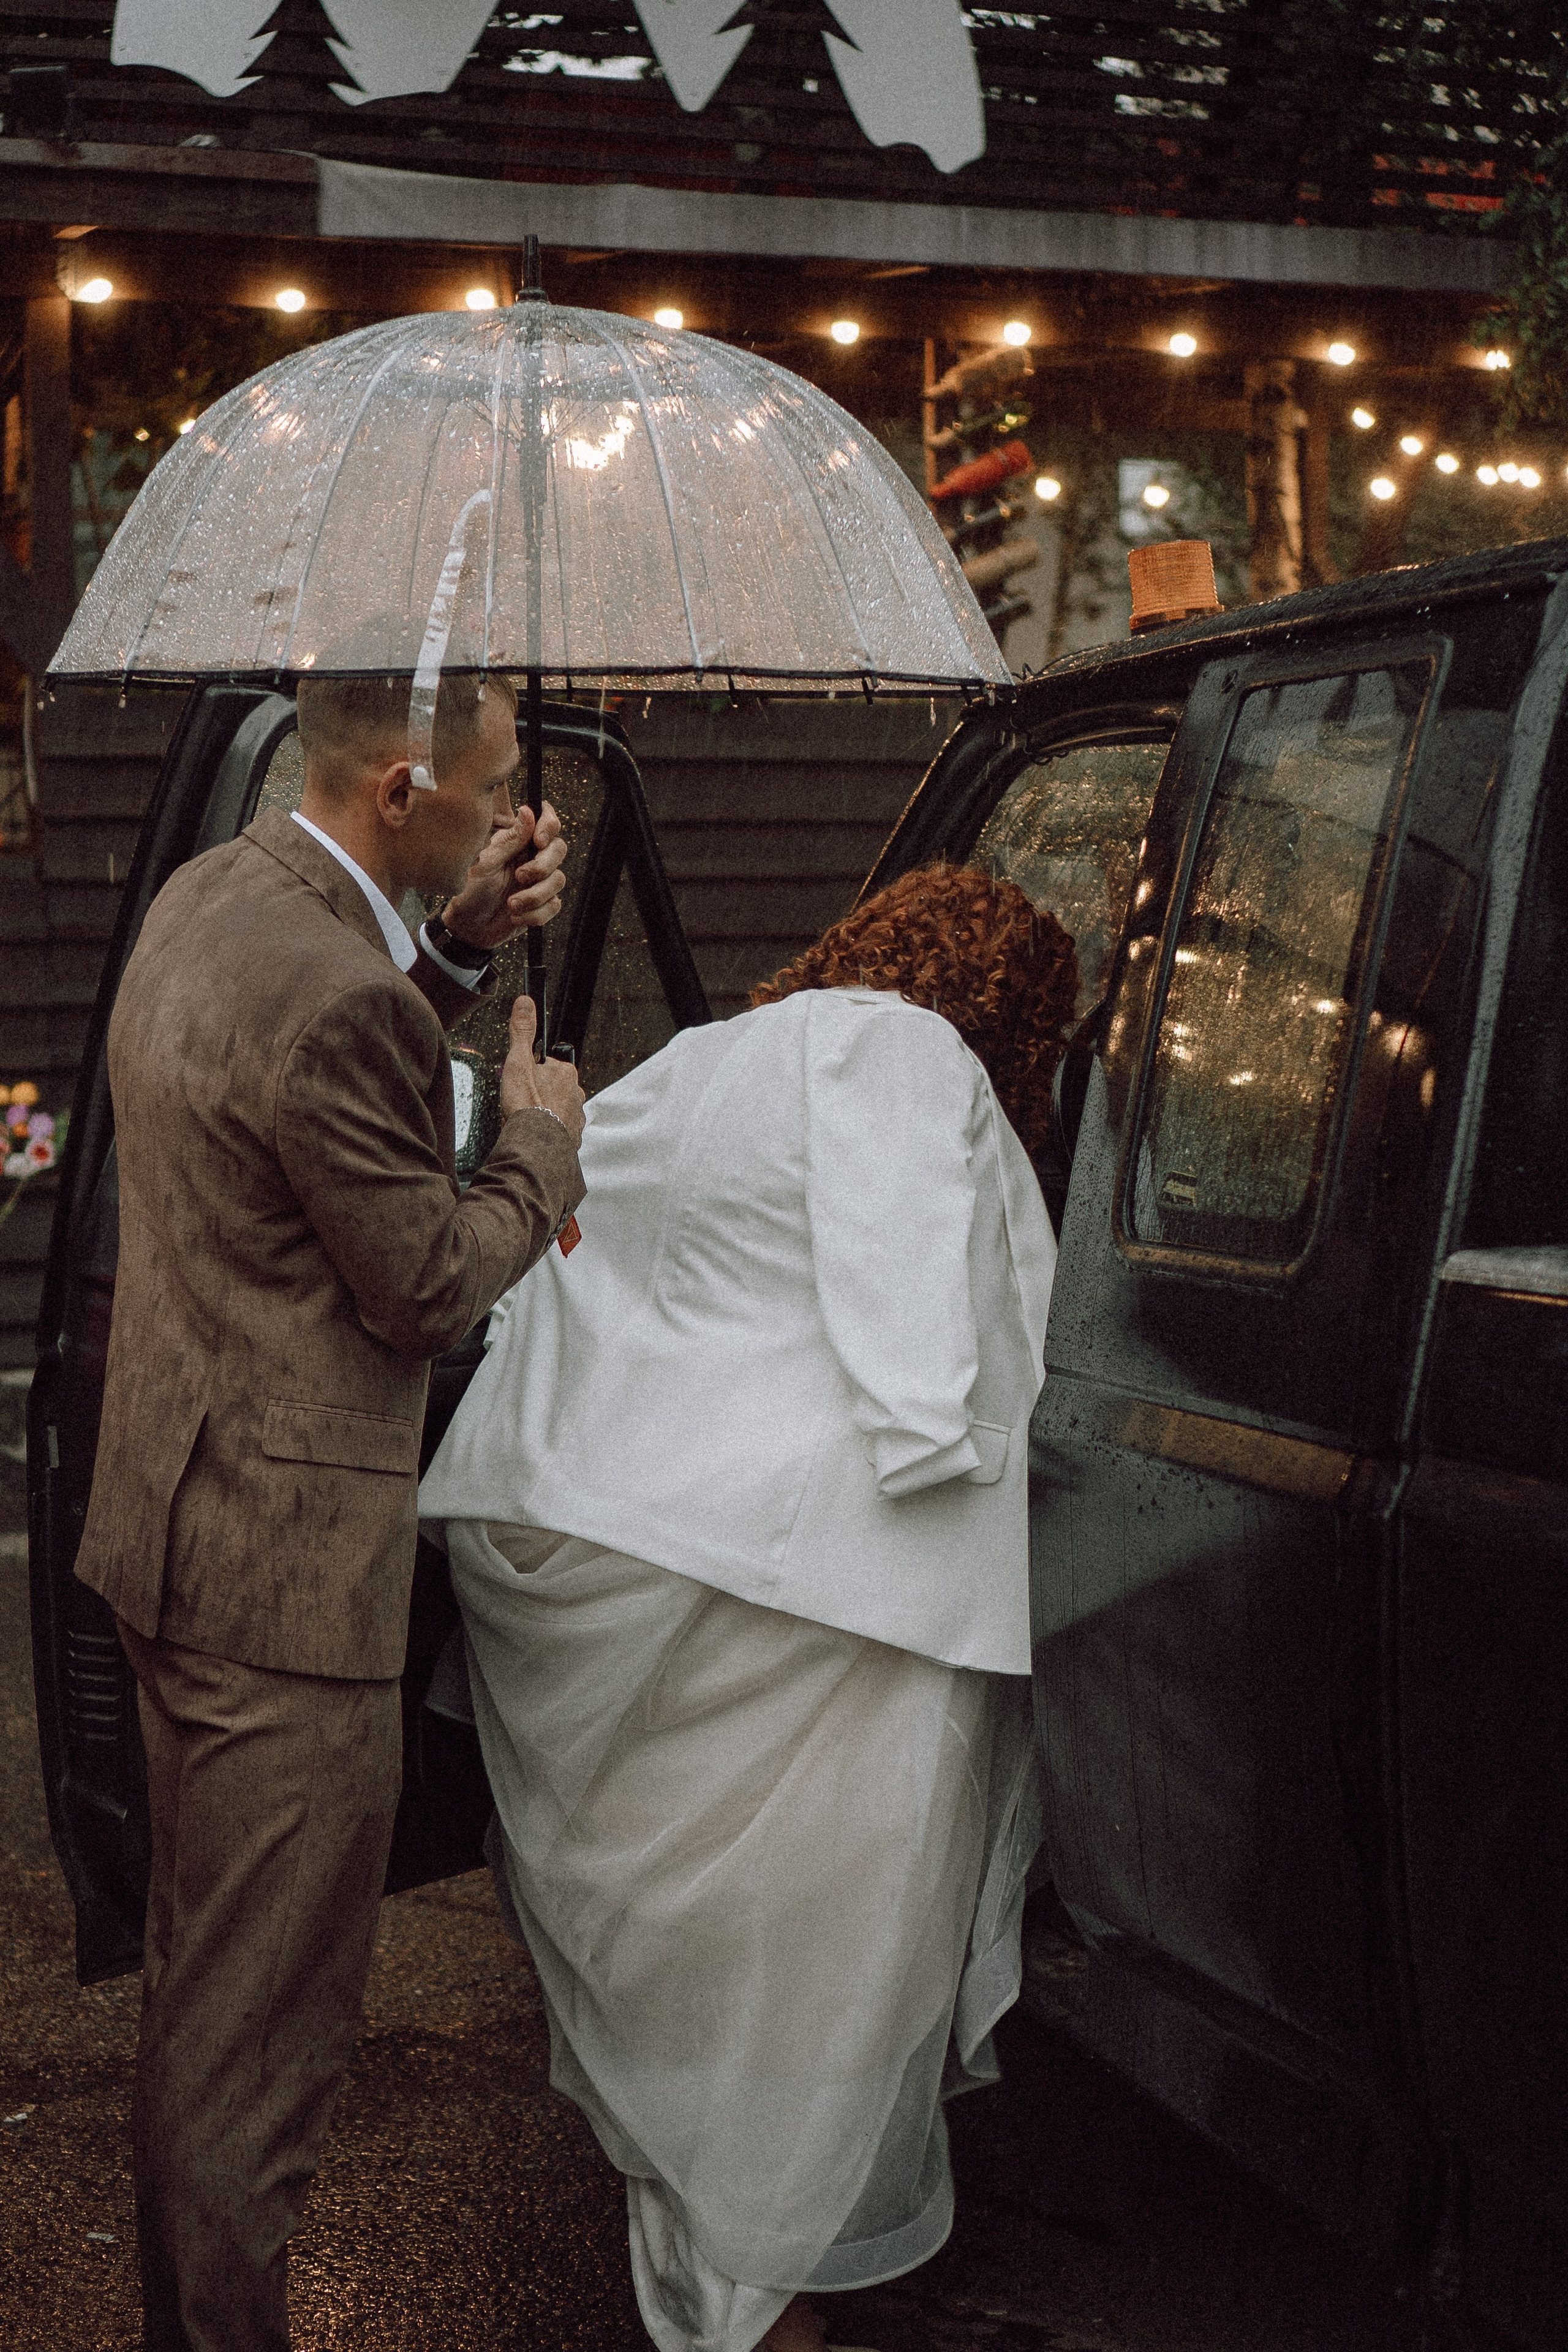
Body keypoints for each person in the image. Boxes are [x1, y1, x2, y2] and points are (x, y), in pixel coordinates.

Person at [420, 864, 1079, 2352]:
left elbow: (560, 1255)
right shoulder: (908, 1050)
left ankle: (711, 2282)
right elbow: (922, 1362)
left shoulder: (700, 1059)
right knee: (812, 1990)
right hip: (814, 1605)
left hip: (612, 1564)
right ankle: (757, 2298)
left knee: (686, 1982)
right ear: (1012, 1010)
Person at [74, 666, 588, 2352]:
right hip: (285, 1596)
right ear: (399, 791)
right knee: (258, 2055)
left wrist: (460, 944)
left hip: (170, 1530)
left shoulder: (214, 894)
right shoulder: (337, 1000)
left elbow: (310, 1081)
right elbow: (424, 1286)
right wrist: (537, 1147)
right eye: (491, 789)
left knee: (202, 1991)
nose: (513, 817)